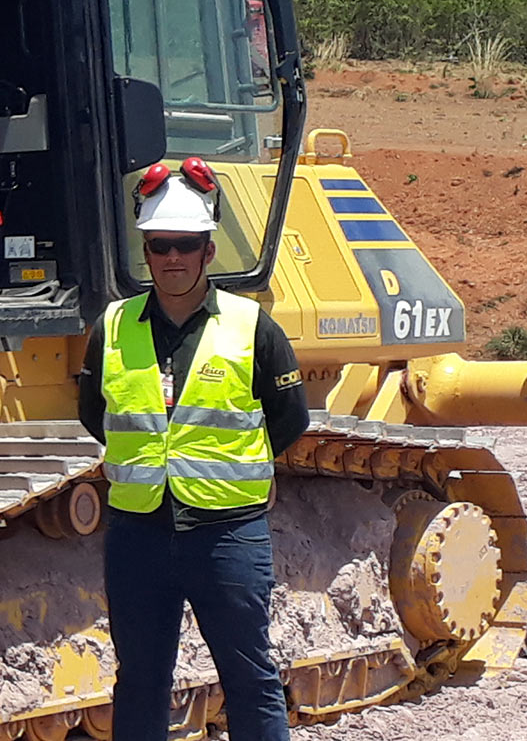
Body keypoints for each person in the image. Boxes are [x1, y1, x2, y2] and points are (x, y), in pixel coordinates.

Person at [77, 157, 307, 741]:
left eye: (185, 244)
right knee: (139, 680)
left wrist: (227, 470)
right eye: (160, 245)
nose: (172, 257)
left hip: (227, 534)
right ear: (146, 251)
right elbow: (96, 414)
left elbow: (290, 419)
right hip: (138, 534)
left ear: (209, 250)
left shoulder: (252, 326)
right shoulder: (112, 326)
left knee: (249, 676)